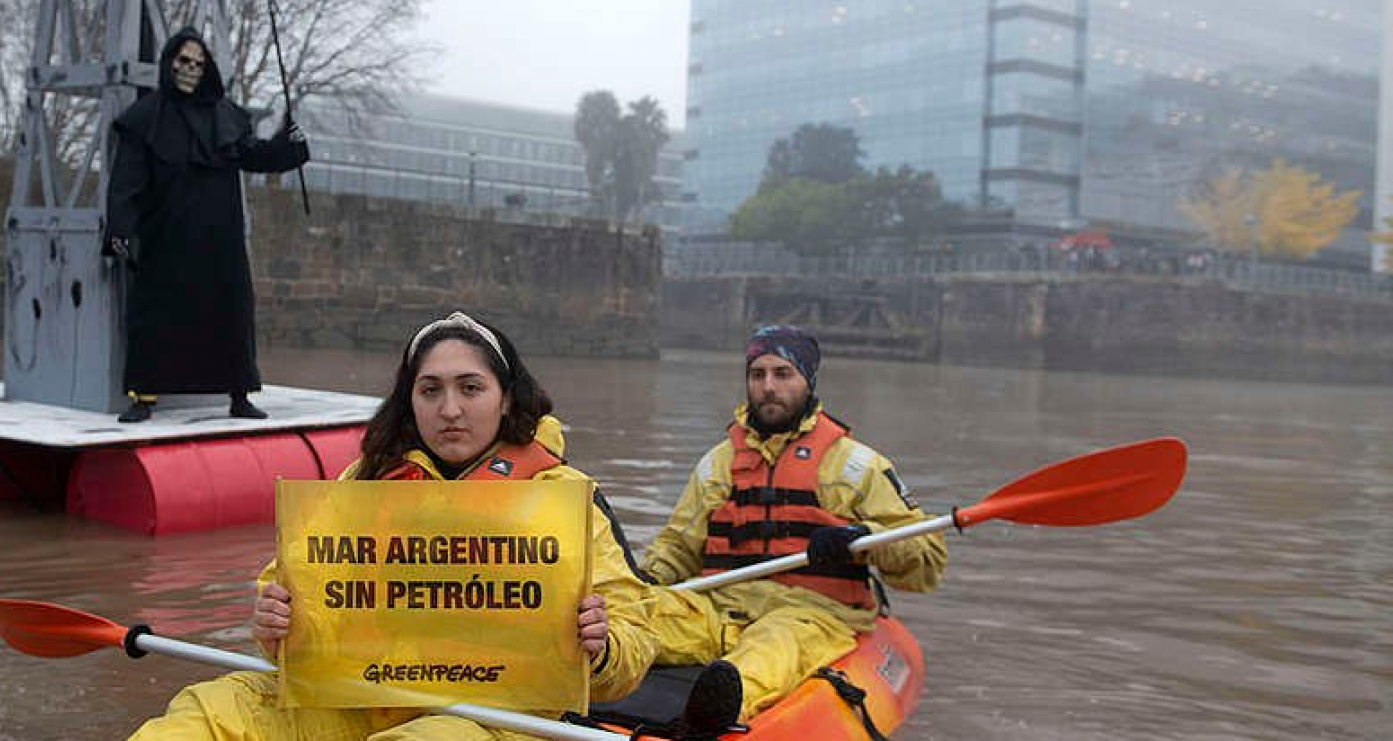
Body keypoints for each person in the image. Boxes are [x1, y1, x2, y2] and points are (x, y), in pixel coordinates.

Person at [125, 310, 662, 741]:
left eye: (470, 389)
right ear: (410, 402)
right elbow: (294, 601)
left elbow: (634, 640)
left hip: (498, 719)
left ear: (506, 399)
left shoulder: (564, 495)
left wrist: (600, 647)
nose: (449, 409)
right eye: (430, 390)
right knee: (214, 709)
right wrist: (277, 623)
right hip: (360, 701)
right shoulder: (366, 480)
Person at [636, 324, 947, 731]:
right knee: (635, 616)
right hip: (719, 609)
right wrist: (641, 584)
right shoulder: (718, 464)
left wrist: (864, 538)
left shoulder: (855, 466)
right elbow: (676, 549)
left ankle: (709, 719)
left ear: (808, 381)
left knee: (769, 650)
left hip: (808, 615)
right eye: (757, 374)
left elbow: (927, 563)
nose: (768, 387)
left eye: (783, 374)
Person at [104, 26, 309, 422]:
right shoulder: (146, 118)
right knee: (155, 316)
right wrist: (119, 232)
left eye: (199, 64)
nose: (190, 69)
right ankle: (143, 396)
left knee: (230, 315)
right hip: (166, 237)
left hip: (220, 240)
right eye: (183, 61)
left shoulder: (225, 115)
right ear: (169, 63)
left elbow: (256, 155)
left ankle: (240, 395)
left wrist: (290, 145)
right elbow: (126, 182)